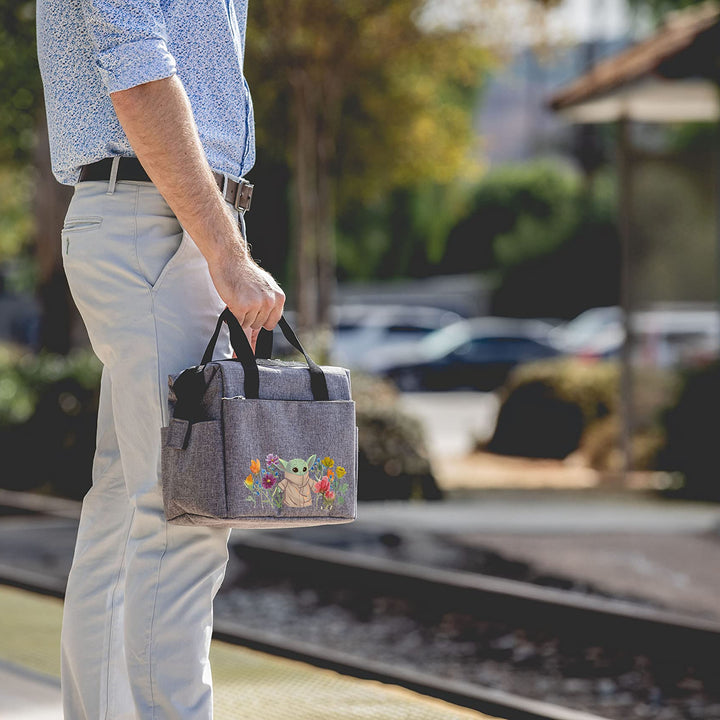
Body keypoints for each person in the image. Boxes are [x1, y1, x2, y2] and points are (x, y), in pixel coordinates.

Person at [35, 0, 285, 717]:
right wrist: (227, 255)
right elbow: (138, 71)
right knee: (187, 510)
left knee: (127, 503)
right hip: (160, 224)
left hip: (160, 216)